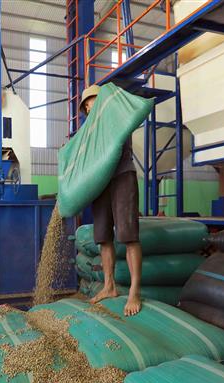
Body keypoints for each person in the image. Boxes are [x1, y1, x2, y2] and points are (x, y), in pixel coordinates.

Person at [79, 84, 142, 316]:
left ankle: (134, 290)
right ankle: (109, 286)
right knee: (103, 236)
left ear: (103, 101)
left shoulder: (117, 116)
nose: (89, 106)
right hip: (100, 182)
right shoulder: (88, 130)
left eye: (92, 101)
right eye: (86, 105)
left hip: (122, 176)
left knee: (128, 234)